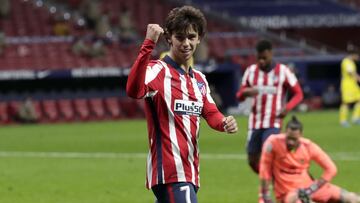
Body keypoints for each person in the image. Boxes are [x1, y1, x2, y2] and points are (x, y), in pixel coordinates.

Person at [126, 6, 238, 203]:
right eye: (180, 37)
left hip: (190, 171)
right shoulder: (158, 70)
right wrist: (148, 44)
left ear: (199, 37)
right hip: (169, 172)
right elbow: (133, 90)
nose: (186, 43)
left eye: (191, 37)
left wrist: (224, 122)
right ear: (169, 38)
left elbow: (210, 112)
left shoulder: (200, 80)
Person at [236, 39, 303, 174]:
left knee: (269, 154)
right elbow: (239, 95)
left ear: (271, 54)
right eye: (259, 58)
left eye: (264, 58)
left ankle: (288, 177)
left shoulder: (283, 71)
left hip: (274, 121)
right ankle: (275, 178)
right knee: (252, 159)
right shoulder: (250, 71)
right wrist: (246, 92)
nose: (261, 61)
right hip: (255, 122)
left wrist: (287, 108)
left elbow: (298, 94)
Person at [259, 116, 360, 203]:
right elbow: (265, 169)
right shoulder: (272, 143)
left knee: (351, 198)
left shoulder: (308, 146)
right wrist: (264, 195)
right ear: (285, 133)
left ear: (300, 135)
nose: (290, 142)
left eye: (294, 139)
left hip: (309, 188)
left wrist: (310, 190)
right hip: (288, 193)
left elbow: (331, 169)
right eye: (288, 138)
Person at [339, 46, 360, 127]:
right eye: (357, 55)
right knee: (346, 103)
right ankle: (343, 121)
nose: (358, 57)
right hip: (347, 85)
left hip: (353, 85)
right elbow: (351, 72)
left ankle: (355, 118)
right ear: (353, 54)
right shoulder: (346, 61)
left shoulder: (351, 62)